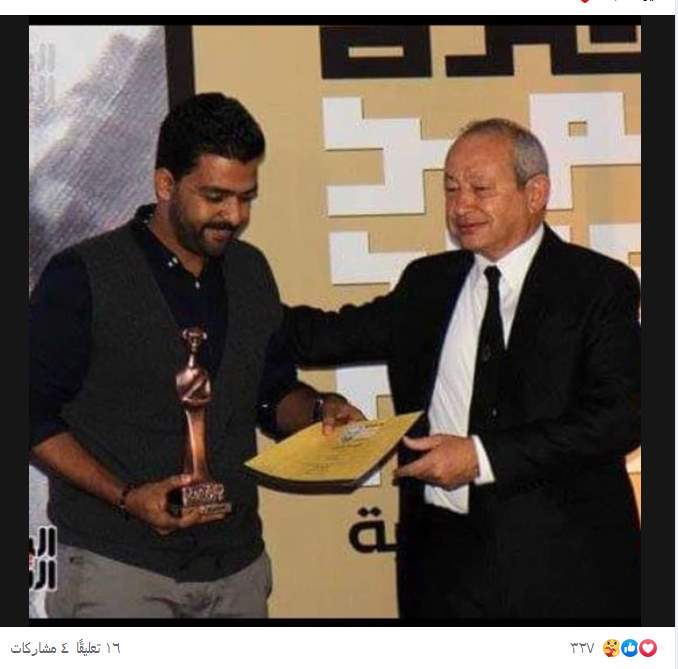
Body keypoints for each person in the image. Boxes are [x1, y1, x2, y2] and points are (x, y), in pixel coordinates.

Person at [285, 118, 641, 620]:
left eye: (480, 189)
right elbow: (319, 337)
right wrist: (225, 286)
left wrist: (481, 457)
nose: (461, 206)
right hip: (442, 570)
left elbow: (618, 418)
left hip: (562, 567)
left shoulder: (598, 286)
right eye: (451, 189)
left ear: (536, 193)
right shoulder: (427, 282)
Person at [29, 92, 361, 618]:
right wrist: (127, 497)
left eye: (246, 197)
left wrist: (319, 412)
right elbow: (30, 416)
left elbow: (271, 393)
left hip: (238, 568)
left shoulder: (251, 270)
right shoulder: (83, 275)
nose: (235, 215)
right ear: (165, 185)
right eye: (215, 197)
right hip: (119, 570)